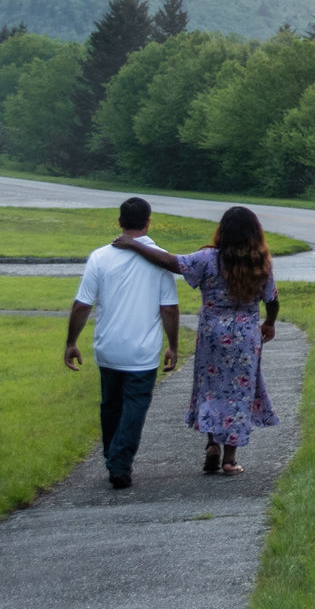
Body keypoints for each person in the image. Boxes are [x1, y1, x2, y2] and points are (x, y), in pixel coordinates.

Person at [115, 205, 279, 475]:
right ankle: (229, 459)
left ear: (223, 230)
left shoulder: (208, 258)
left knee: (212, 388)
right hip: (246, 336)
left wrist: (133, 245)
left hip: (212, 333)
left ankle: (212, 444)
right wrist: (269, 323)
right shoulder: (260, 262)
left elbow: (171, 262)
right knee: (239, 392)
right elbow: (272, 299)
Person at [63, 197, 181, 490]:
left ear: (119, 222)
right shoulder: (159, 259)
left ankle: (112, 457)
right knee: (135, 407)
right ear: (149, 221)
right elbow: (169, 308)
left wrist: (71, 342)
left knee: (110, 405)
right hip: (142, 351)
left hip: (108, 347)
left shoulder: (100, 257)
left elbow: (82, 305)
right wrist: (173, 345)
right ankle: (119, 462)